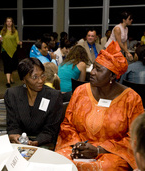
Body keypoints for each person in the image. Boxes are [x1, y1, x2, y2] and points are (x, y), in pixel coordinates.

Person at [55, 41, 144, 170]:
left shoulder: (131, 99)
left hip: (112, 154)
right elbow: (67, 124)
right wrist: (77, 145)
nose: (92, 72)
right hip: (78, 148)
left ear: (112, 76)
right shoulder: (81, 91)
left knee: (106, 167)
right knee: (59, 161)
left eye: (98, 69)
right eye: (93, 67)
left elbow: (135, 137)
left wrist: (99, 150)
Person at [5, 58, 63, 149]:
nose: (40, 80)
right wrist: (14, 136)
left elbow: (50, 131)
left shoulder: (54, 96)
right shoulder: (12, 94)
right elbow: (12, 125)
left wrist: (36, 142)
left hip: (44, 143)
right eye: (35, 77)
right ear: (23, 79)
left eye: (42, 75)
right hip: (20, 142)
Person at [0, 17, 22, 88]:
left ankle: (11, 78)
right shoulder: (2, 31)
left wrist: (19, 43)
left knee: (12, 65)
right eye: (7, 21)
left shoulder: (15, 31)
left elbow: (17, 40)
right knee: (7, 65)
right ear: (5, 23)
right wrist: (0, 40)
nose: (9, 23)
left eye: (10, 21)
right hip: (4, 50)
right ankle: (8, 82)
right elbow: (0, 40)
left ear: (12, 23)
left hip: (13, 50)